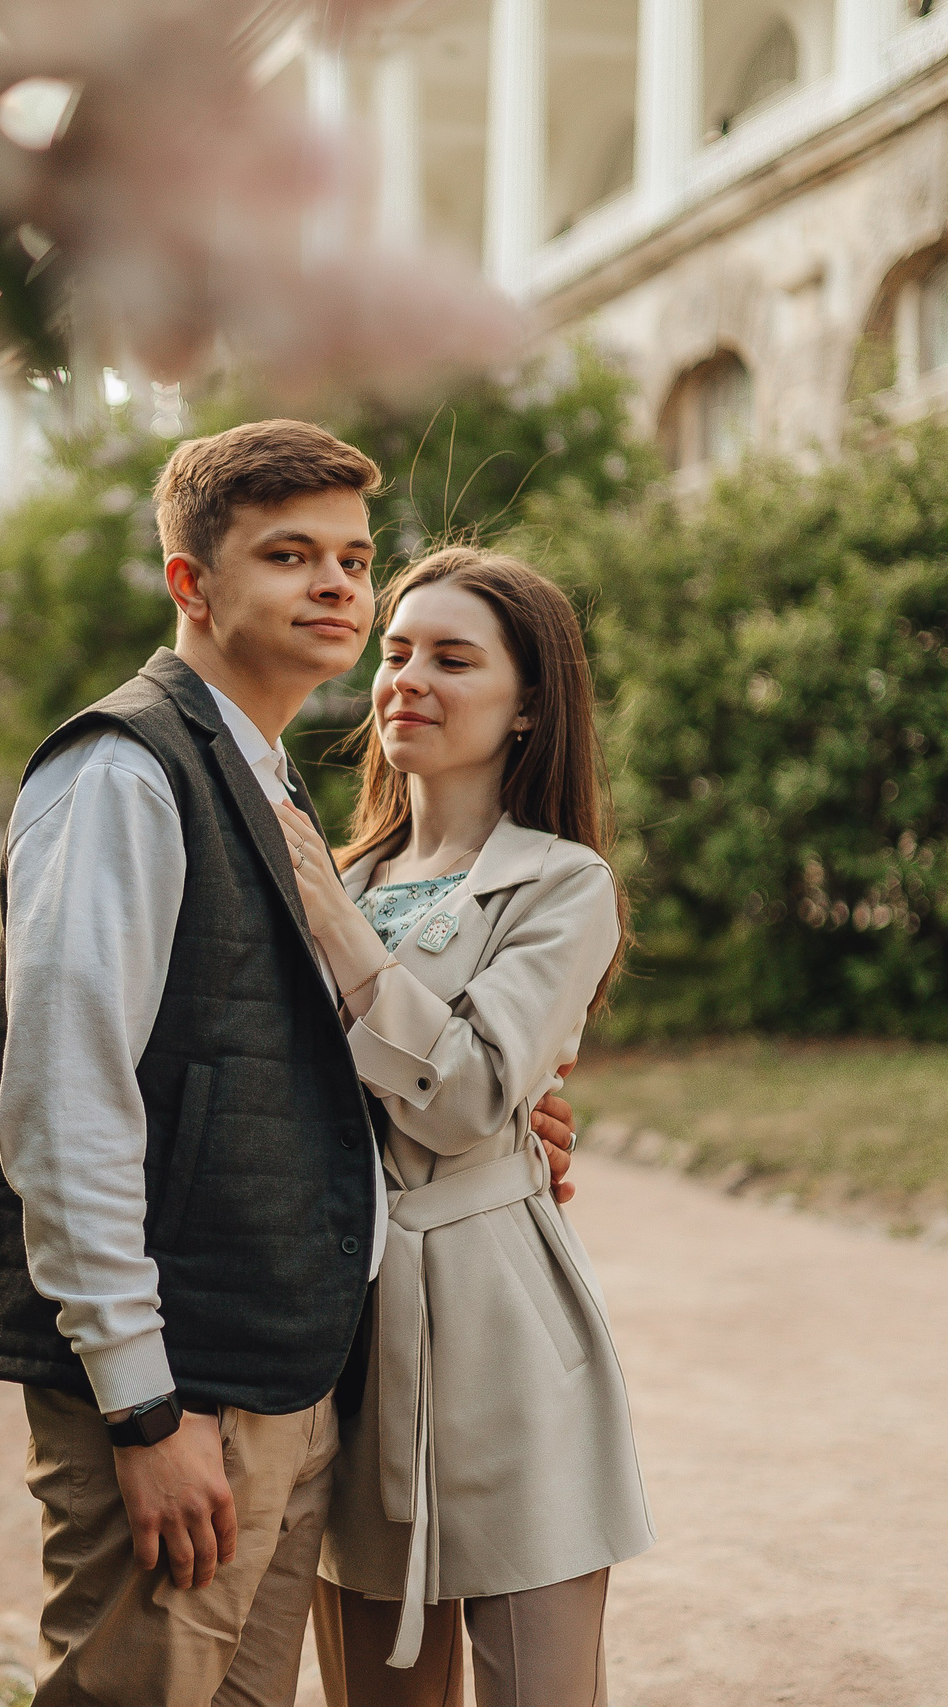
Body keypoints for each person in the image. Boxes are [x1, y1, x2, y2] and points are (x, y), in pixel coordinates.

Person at [0, 424, 578, 1707]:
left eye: (354, 558)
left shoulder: (269, 782)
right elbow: (64, 1105)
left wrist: (513, 1127)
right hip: (186, 1395)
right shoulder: (125, 772)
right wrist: (142, 1406)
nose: (341, 588)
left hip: (292, 1395)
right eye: (290, 555)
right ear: (191, 584)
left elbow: (270, 1058)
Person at [273, 546, 652, 1707]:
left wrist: (334, 925)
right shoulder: (333, 867)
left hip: (502, 1336)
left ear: (529, 703)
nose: (407, 680)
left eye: (451, 657)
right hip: (342, 1349)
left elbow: (473, 1096)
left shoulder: (561, 883)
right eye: (394, 653)